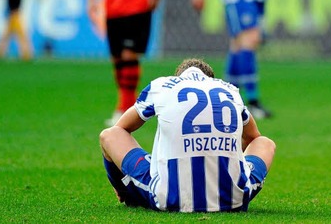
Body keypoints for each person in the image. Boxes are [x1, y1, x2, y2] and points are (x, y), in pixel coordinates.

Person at [99, 57, 276, 212]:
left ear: (179, 77)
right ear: (210, 79)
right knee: (265, 143)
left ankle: (125, 193)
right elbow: (254, 138)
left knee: (109, 135)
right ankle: (232, 184)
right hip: (233, 200)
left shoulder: (161, 85)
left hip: (171, 198)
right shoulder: (230, 90)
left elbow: (120, 129)